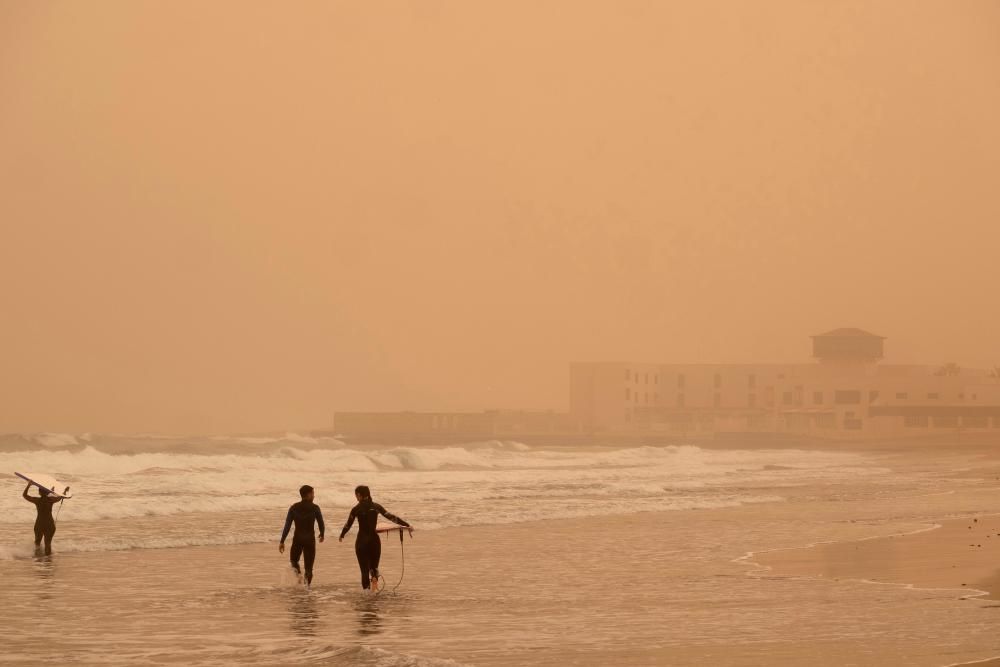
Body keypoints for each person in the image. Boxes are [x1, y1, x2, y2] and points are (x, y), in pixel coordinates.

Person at [339, 485, 411, 591]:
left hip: (362, 542)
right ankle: (374, 584)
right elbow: (391, 517)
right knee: (374, 568)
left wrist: (342, 534)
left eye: (356, 495)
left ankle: (367, 595)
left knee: (364, 570)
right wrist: (406, 524)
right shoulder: (376, 506)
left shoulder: (356, 509)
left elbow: (348, 524)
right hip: (374, 541)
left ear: (359, 495)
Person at [279, 485, 325, 588]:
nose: (314, 495)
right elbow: (321, 523)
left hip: (297, 539)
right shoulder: (315, 508)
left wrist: (282, 541)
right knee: (309, 568)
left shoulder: (294, 508)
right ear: (308, 495)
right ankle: (306, 588)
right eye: (313, 493)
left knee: (293, 561)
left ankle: (299, 576)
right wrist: (322, 533)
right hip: (309, 540)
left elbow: (287, 525)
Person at [23, 482, 60, 556]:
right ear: (47, 493)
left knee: (37, 543)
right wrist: (52, 492)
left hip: (39, 524)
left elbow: (25, 495)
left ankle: (38, 560)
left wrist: (29, 485)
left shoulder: (37, 500)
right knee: (48, 544)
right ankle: (48, 562)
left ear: (39, 492)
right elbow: (60, 497)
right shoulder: (51, 500)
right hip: (49, 524)